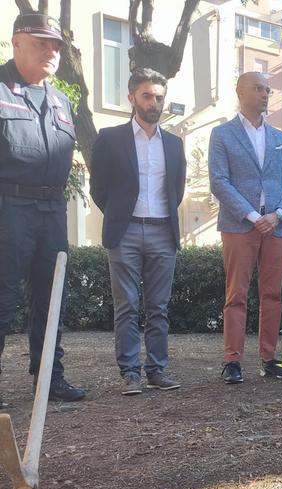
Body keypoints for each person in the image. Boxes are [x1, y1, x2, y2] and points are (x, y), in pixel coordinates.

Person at [0, 13, 86, 407]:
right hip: (8, 206)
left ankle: (49, 378)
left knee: (51, 298)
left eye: (56, 46)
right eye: (41, 43)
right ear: (17, 42)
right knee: (3, 297)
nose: (51, 51)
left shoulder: (60, 100)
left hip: (52, 208)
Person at [90, 68, 186, 396]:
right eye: (147, 96)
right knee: (127, 305)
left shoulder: (174, 144)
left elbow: (177, 190)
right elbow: (98, 188)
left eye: (159, 97)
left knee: (159, 306)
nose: (154, 103)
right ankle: (130, 373)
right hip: (125, 232)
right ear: (132, 97)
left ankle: (157, 370)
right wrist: (120, 215)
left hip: (163, 232)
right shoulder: (110, 138)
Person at [209, 71, 282, 384]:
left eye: (267, 89)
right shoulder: (222, 134)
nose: (265, 94)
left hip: (277, 226)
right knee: (236, 294)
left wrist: (278, 214)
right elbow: (219, 181)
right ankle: (232, 360)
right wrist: (252, 215)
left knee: (272, 294)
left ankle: (269, 358)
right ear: (240, 91)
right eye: (258, 88)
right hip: (239, 225)